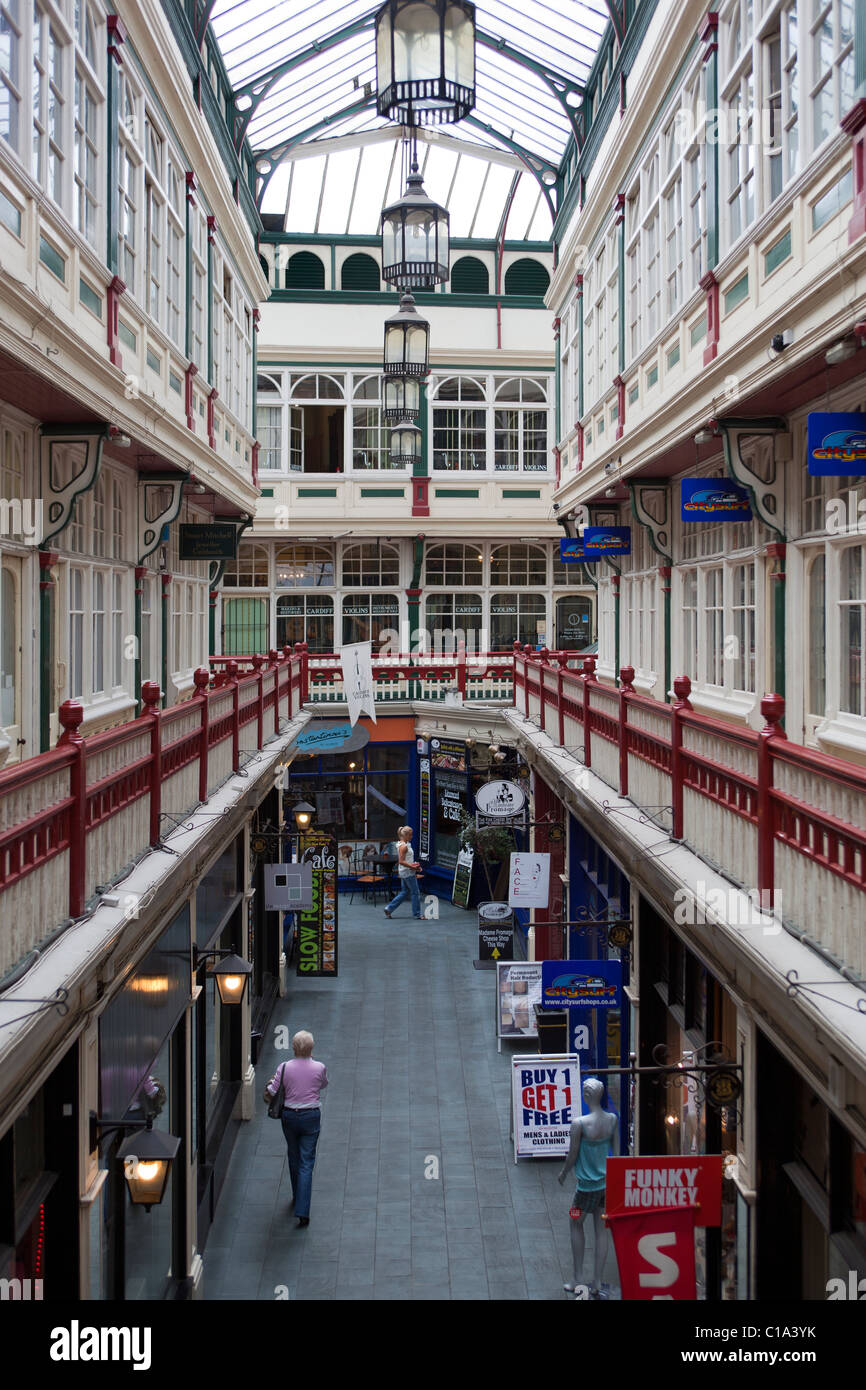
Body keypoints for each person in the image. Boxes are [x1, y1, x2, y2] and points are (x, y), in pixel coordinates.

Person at [557, 1077, 618, 1298]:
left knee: (574, 1222)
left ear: (588, 1095)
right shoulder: (611, 1120)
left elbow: (572, 1155)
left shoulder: (579, 1124)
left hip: (584, 1190)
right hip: (606, 1187)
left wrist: (564, 1173)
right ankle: (598, 1281)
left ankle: (577, 1278)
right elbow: (617, 1154)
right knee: (601, 1231)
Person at [264, 1030, 328, 1227]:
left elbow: (272, 1091)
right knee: (307, 1160)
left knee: (293, 1155)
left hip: (290, 1117)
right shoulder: (319, 1067)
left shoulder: (284, 1067)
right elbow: (323, 1084)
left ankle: (296, 1192)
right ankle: (303, 1208)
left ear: (293, 1048)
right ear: (311, 1048)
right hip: (311, 1117)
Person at [383, 825, 422, 919]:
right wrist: (413, 867)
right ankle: (417, 914)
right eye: (410, 835)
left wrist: (414, 865)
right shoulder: (403, 847)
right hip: (408, 872)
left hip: (405, 872)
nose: (411, 837)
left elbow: (406, 859)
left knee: (405, 891)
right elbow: (401, 861)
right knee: (415, 893)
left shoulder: (403, 844)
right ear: (405, 835)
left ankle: (389, 908)